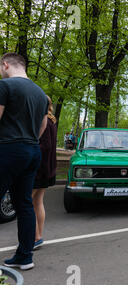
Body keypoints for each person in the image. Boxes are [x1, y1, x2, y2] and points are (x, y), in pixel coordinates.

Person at [0, 53, 48, 270]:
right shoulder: (40, 94)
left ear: (6, 64)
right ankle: (25, 256)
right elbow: (42, 127)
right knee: (24, 204)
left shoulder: (5, 86)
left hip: (8, 149)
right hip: (32, 150)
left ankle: (23, 256)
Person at [32, 96, 57, 250]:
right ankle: (38, 235)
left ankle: (34, 237)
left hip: (40, 169)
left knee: (26, 202)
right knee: (37, 202)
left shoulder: (45, 121)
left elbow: (45, 146)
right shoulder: (52, 121)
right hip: (47, 168)